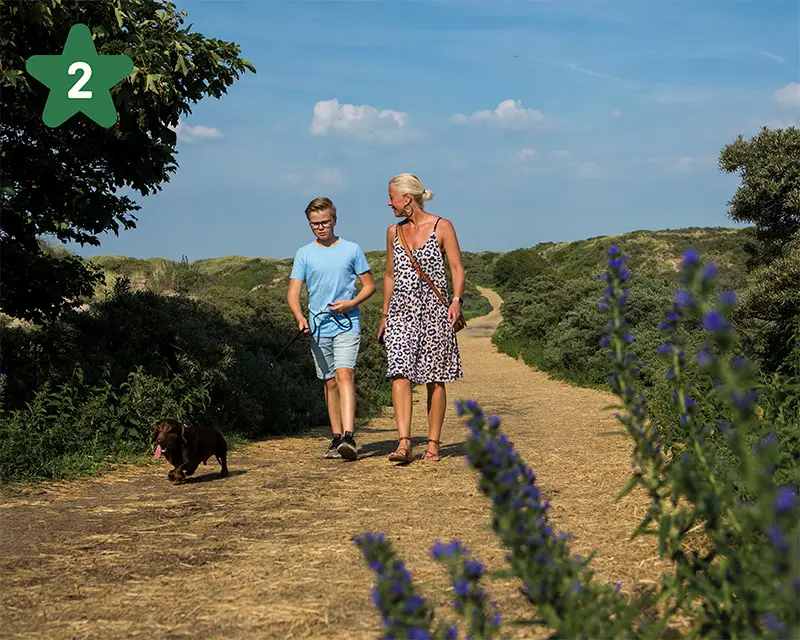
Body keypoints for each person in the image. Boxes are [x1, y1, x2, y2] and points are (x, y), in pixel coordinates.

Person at [378, 173, 465, 463]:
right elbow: (389, 275)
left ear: (408, 199)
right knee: (399, 372)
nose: (389, 202)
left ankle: (433, 443)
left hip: (435, 312)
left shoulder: (443, 226)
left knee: (435, 379)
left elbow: (457, 269)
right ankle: (403, 443)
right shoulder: (393, 232)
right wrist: (385, 314)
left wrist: (456, 301)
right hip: (401, 312)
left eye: (392, 197)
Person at [288, 197, 376, 460]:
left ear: (334, 220)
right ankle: (336, 437)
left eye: (325, 222)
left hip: (348, 324)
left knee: (345, 374)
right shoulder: (304, 253)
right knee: (329, 383)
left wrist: (351, 303)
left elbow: (370, 286)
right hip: (317, 327)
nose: (320, 227)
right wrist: (299, 317)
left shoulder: (352, 249)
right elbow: (294, 292)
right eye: (315, 224)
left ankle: (349, 437)